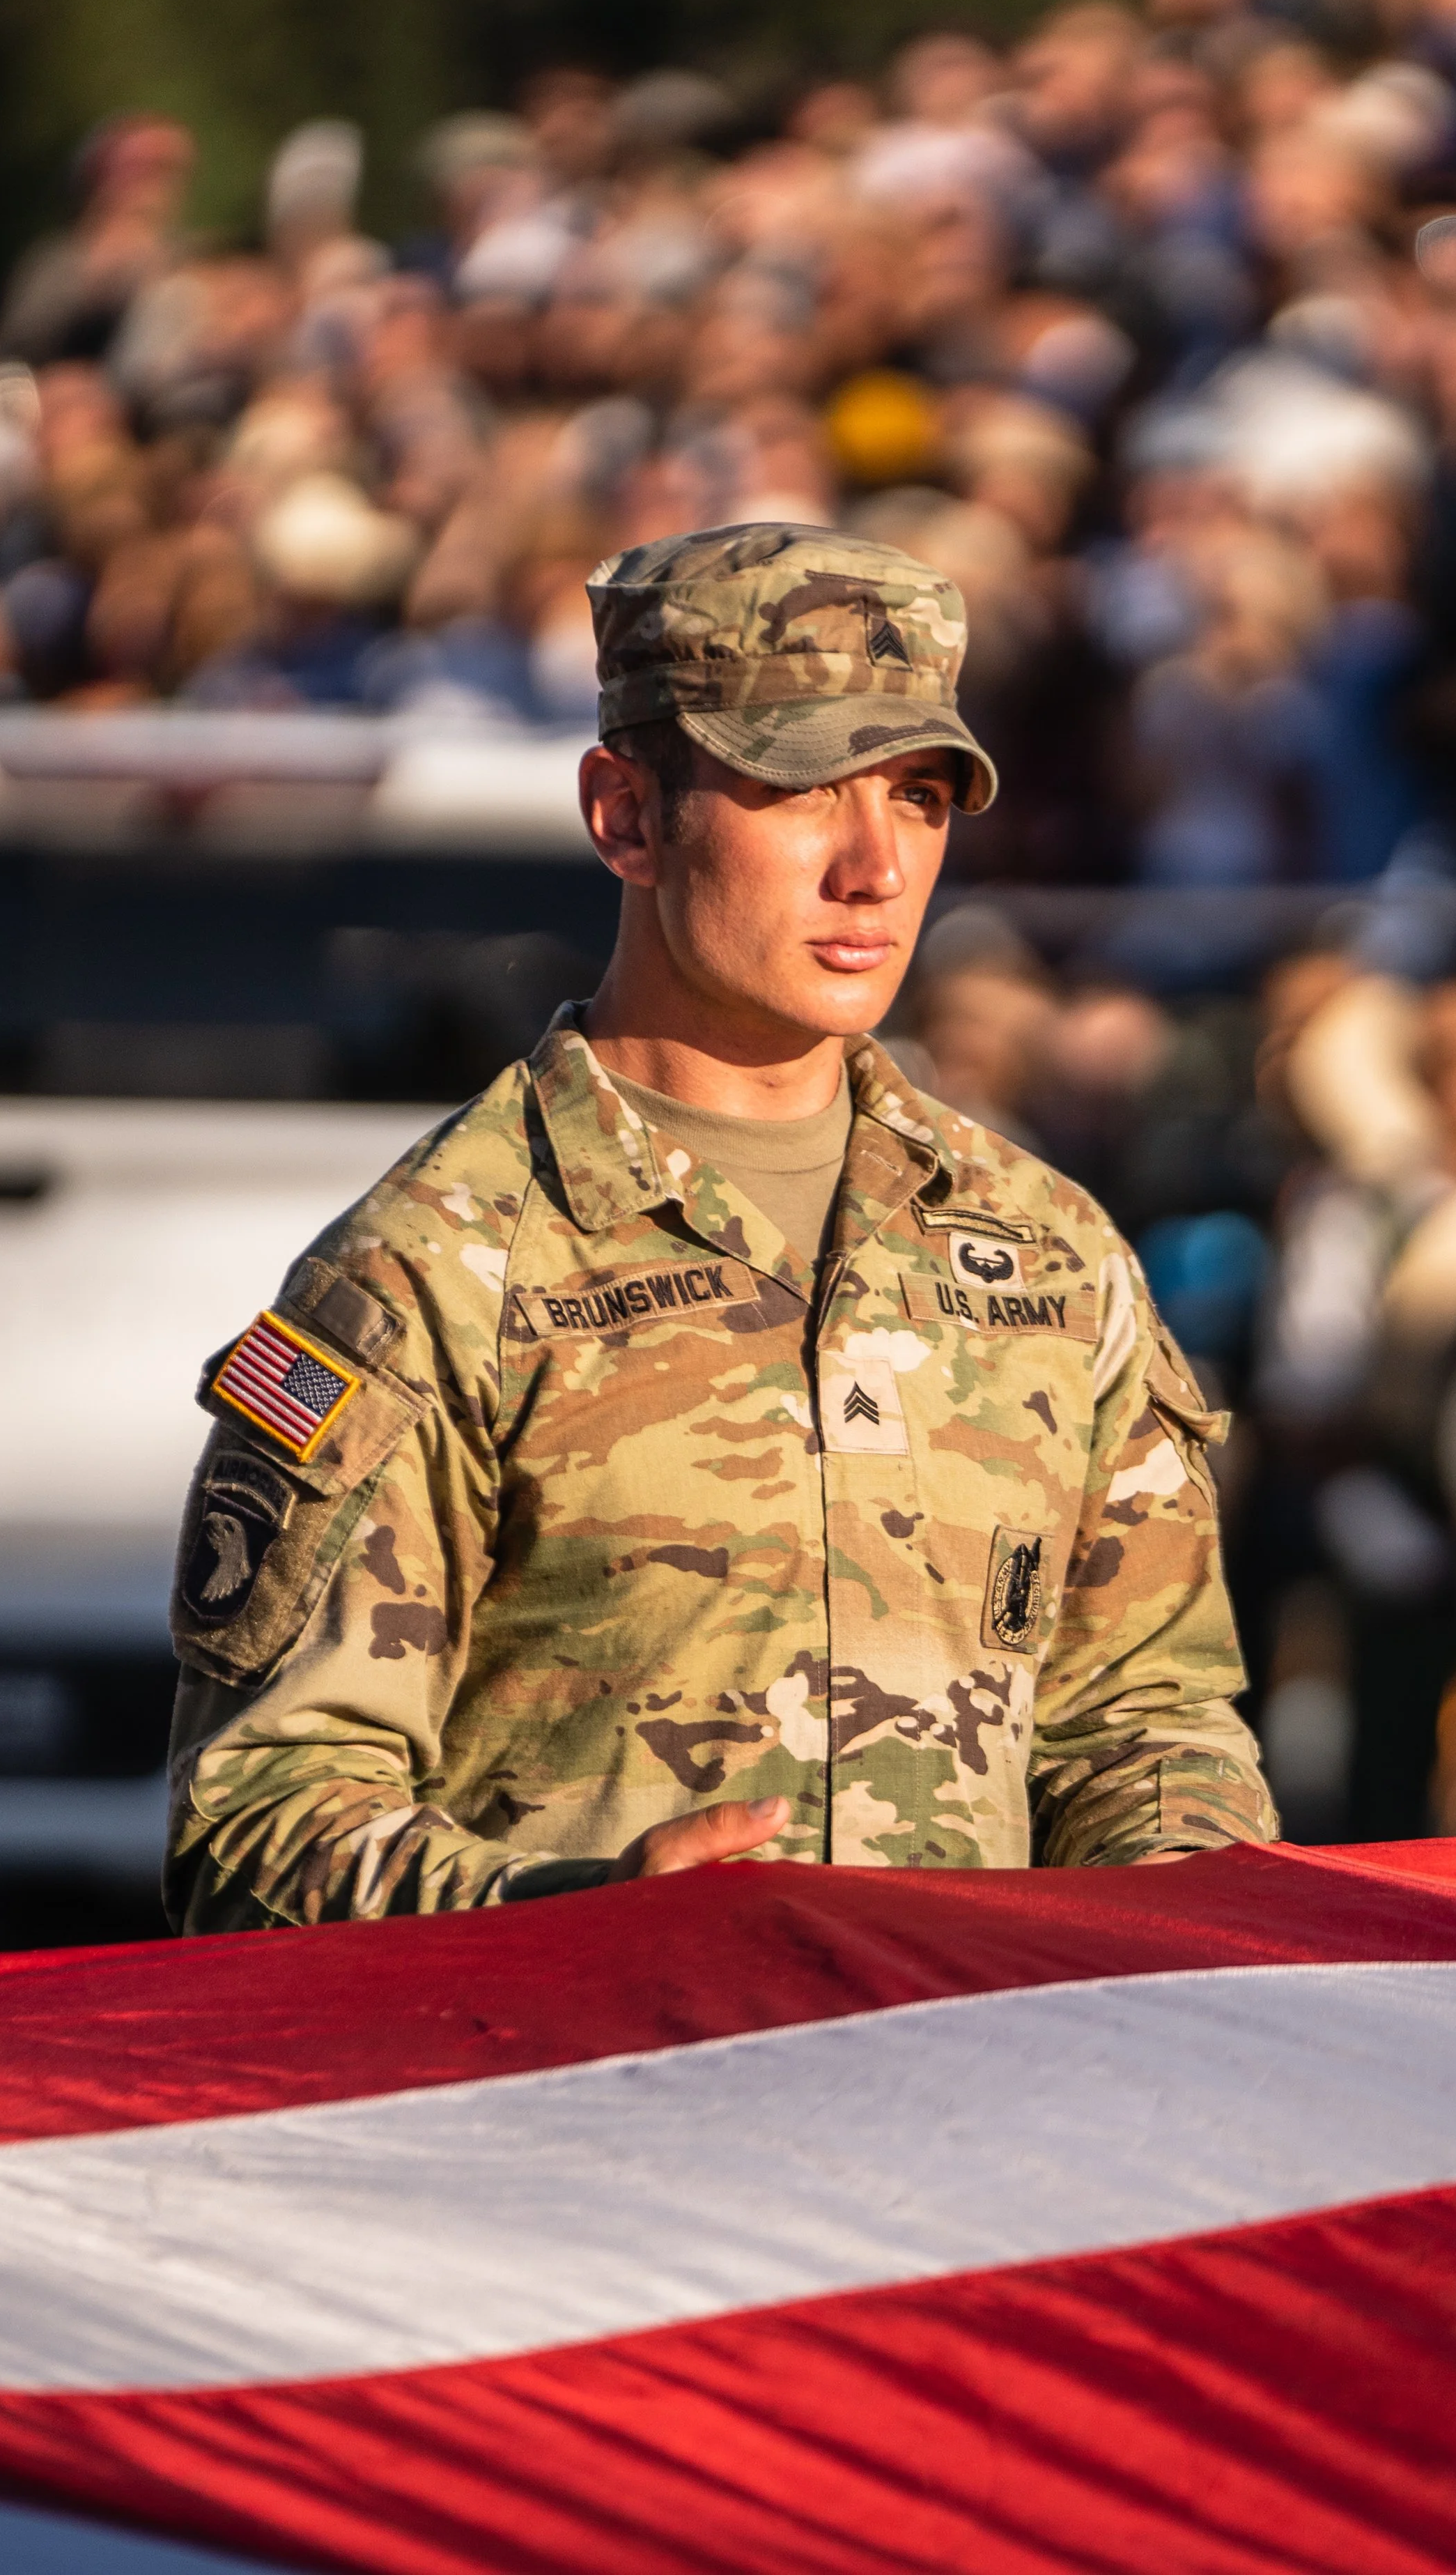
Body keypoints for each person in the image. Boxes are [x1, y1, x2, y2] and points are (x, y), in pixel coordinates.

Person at [164, 521, 1275, 1928]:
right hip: (587, 2060)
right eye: (800, 790)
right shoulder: (432, 1272)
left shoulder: (1048, 1254)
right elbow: (258, 1823)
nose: (874, 867)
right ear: (626, 815)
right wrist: (580, 1914)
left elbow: (1149, 1729)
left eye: (920, 798)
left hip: (972, 2064)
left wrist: (1172, 1913)